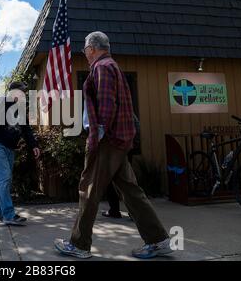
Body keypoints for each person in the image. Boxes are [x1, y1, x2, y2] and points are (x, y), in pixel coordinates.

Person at [54, 32, 173, 259]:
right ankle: (158, 240)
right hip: (118, 140)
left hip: (107, 140)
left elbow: (106, 105)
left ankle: (78, 244)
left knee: (88, 189)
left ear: (92, 48)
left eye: (85, 50)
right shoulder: (111, 66)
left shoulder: (102, 67)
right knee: (131, 191)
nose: (85, 54)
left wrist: (97, 137)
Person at [0, 81, 41, 226]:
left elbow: (26, 129)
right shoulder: (1, 103)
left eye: (24, 92)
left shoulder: (19, 108)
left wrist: (34, 145)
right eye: (21, 91)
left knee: (3, 179)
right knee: (4, 178)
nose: (23, 94)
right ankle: (8, 215)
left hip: (10, 148)